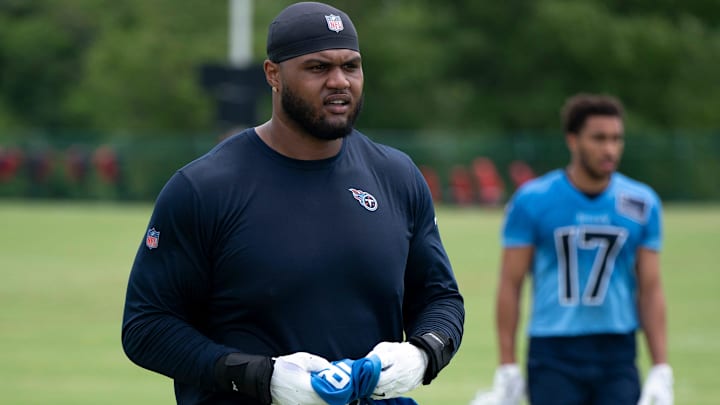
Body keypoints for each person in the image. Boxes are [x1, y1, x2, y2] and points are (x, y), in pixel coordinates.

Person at [121, 2, 464, 405]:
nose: (340, 81)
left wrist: (422, 354)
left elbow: (440, 298)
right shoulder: (203, 188)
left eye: (350, 66)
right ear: (273, 75)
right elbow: (147, 327)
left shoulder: (396, 175)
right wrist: (261, 377)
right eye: (318, 68)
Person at [473, 93, 672, 405]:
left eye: (616, 138)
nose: (609, 149)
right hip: (554, 350)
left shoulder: (641, 202)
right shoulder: (533, 199)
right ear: (573, 140)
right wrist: (507, 364)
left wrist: (661, 367)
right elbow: (511, 284)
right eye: (598, 138)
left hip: (617, 349)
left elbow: (650, 289)